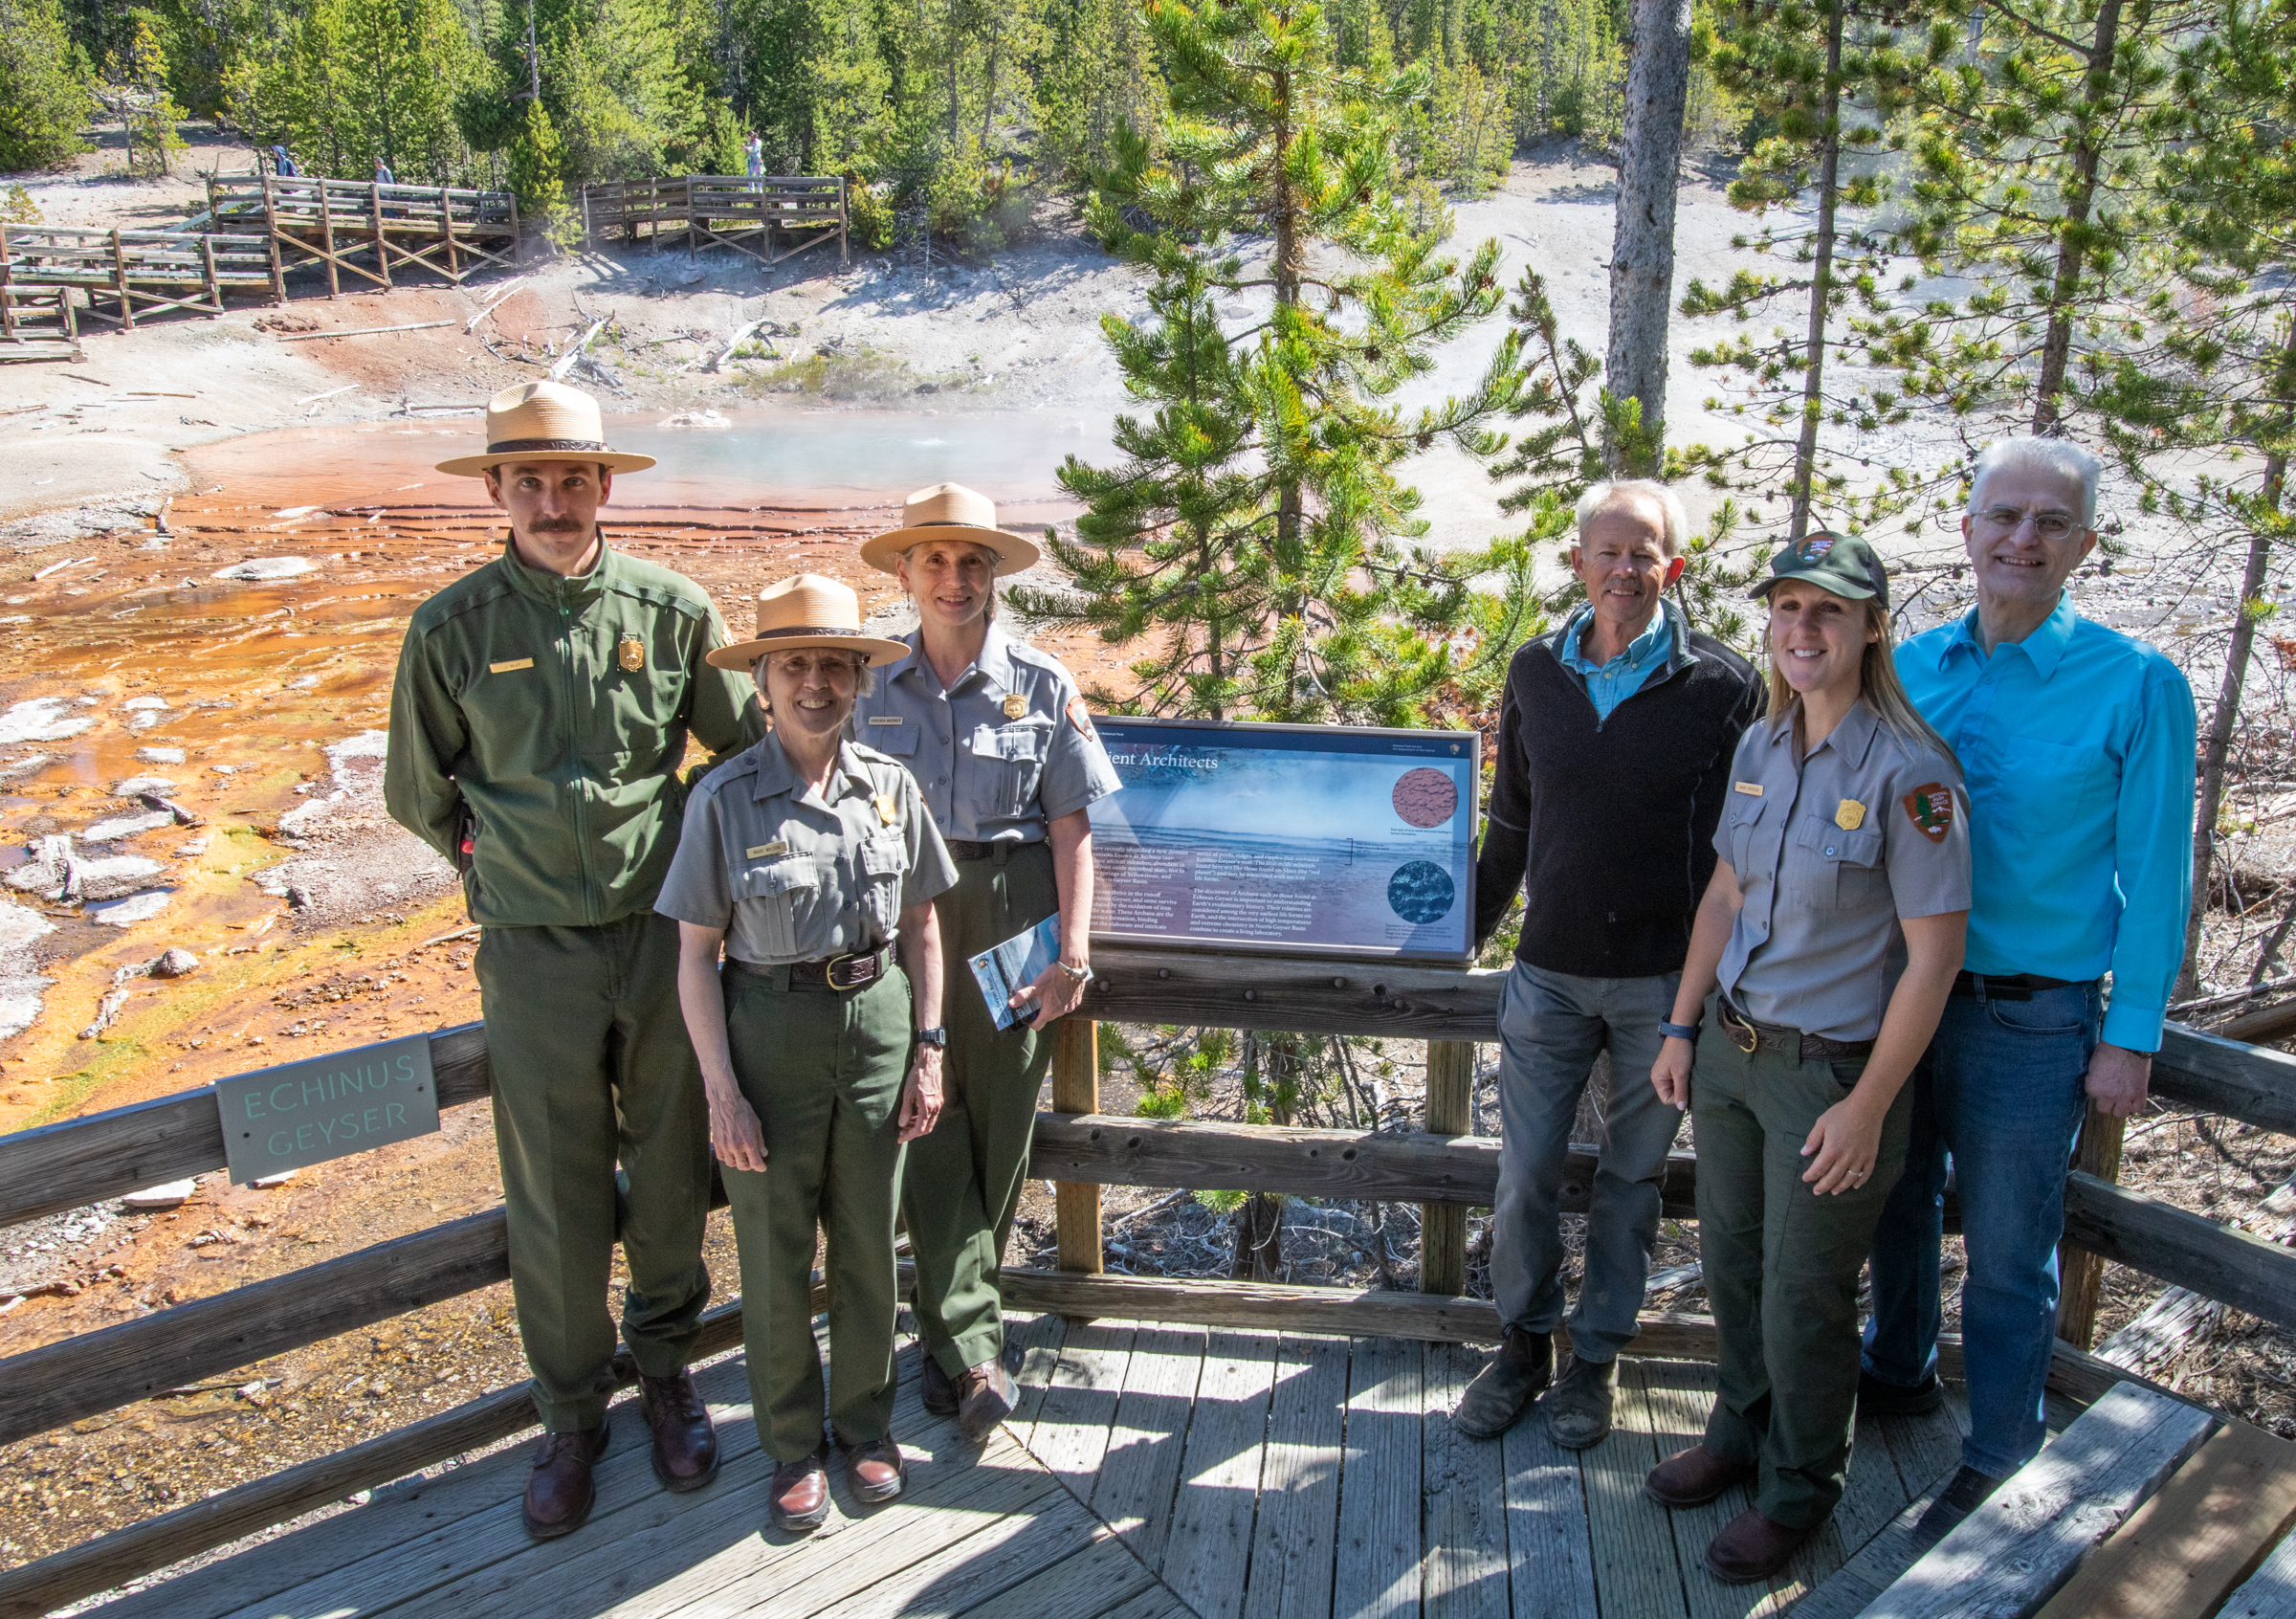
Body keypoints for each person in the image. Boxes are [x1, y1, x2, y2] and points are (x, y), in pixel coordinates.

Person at [385, 381, 765, 1540]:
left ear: (607, 484)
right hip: (533, 952)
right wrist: (496, 858)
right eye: (530, 480)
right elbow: (417, 790)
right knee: (551, 1187)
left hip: (663, 940)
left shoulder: (674, 608)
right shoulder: (451, 630)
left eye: (573, 479)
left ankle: (666, 1373)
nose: (553, 501)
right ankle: (569, 1414)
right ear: (495, 490)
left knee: (665, 1162)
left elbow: (750, 749)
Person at [1862, 436, 2197, 1539]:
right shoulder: (1907, 666)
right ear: (1966, 531)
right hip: (1900, 998)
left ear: (2084, 544)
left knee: (2009, 1248)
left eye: (2050, 523)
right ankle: (1897, 1370)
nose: (2022, 538)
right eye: (2003, 516)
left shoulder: (2137, 685)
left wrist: (2131, 1031)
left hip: (2032, 1013)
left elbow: (2156, 875)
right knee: (1896, 1210)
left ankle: (2002, 1451)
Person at [1645, 531, 1970, 1584]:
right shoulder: (1761, 746)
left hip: (1832, 1077)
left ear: (1872, 626)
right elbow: (1726, 897)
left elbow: (1934, 960)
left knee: (1807, 1296)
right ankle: (1739, 1438)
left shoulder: (1911, 773)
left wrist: (1873, 1104)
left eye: (1828, 611)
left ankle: (1798, 1491)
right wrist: (1684, 1024)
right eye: (1787, 609)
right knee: (1735, 1269)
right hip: (1734, 1053)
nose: (1802, 630)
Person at [1457, 479, 1764, 1450]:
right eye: (1610, 551)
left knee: (1632, 1184)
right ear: (1580, 561)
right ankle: (1521, 1347)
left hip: (1661, 988)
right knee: (1527, 1174)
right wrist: (1459, 930)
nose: (1626, 570)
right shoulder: (1535, 672)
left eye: (1646, 554)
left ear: (1672, 567)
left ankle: (1597, 1362)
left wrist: (1714, 985)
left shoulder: (1723, 685)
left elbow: (1740, 851)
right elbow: (1511, 821)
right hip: (1547, 972)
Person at [658, 573, 958, 1533]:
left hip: (877, 1023)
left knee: (870, 1241)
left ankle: (865, 1429)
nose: (817, 684)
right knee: (776, 1250)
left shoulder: (892, 790)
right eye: (795, 666)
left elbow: (924, 931)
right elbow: (695, 959)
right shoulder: (722, 798)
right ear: (762, 684)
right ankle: (792, 1446)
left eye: (835, 665)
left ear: (860, 682)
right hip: (766, 1035)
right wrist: (720, 1092)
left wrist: (929, 1050)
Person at [850, 482, 1121, 1441]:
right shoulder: (866, 683)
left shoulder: (1042, 683)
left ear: (994, 575)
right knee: (926, 1114)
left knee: (1000, 1124)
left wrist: (1074, 956)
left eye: (972, 564)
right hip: (902, 915)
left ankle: (953, 1336)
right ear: (905, 571)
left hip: (1014, 915)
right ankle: (970, 1347)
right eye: (935, 561)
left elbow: (1073, 834)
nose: (954, 580)